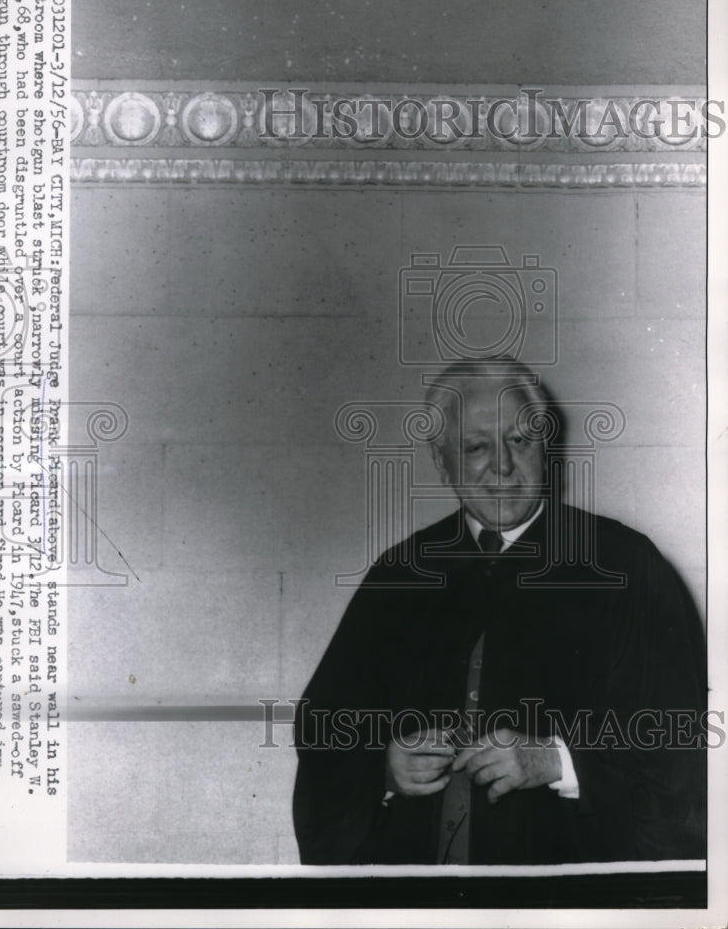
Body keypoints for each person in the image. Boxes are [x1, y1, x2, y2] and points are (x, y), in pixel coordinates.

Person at [293, 358, 706, 865]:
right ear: (442, 461)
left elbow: (681, 742)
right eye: (475, 447)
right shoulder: (401, 572)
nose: (502, 466)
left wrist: (559, 761)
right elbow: (325, 726)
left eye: (519, 440)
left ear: (547, 450)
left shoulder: (625, 566)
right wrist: (381, 766)